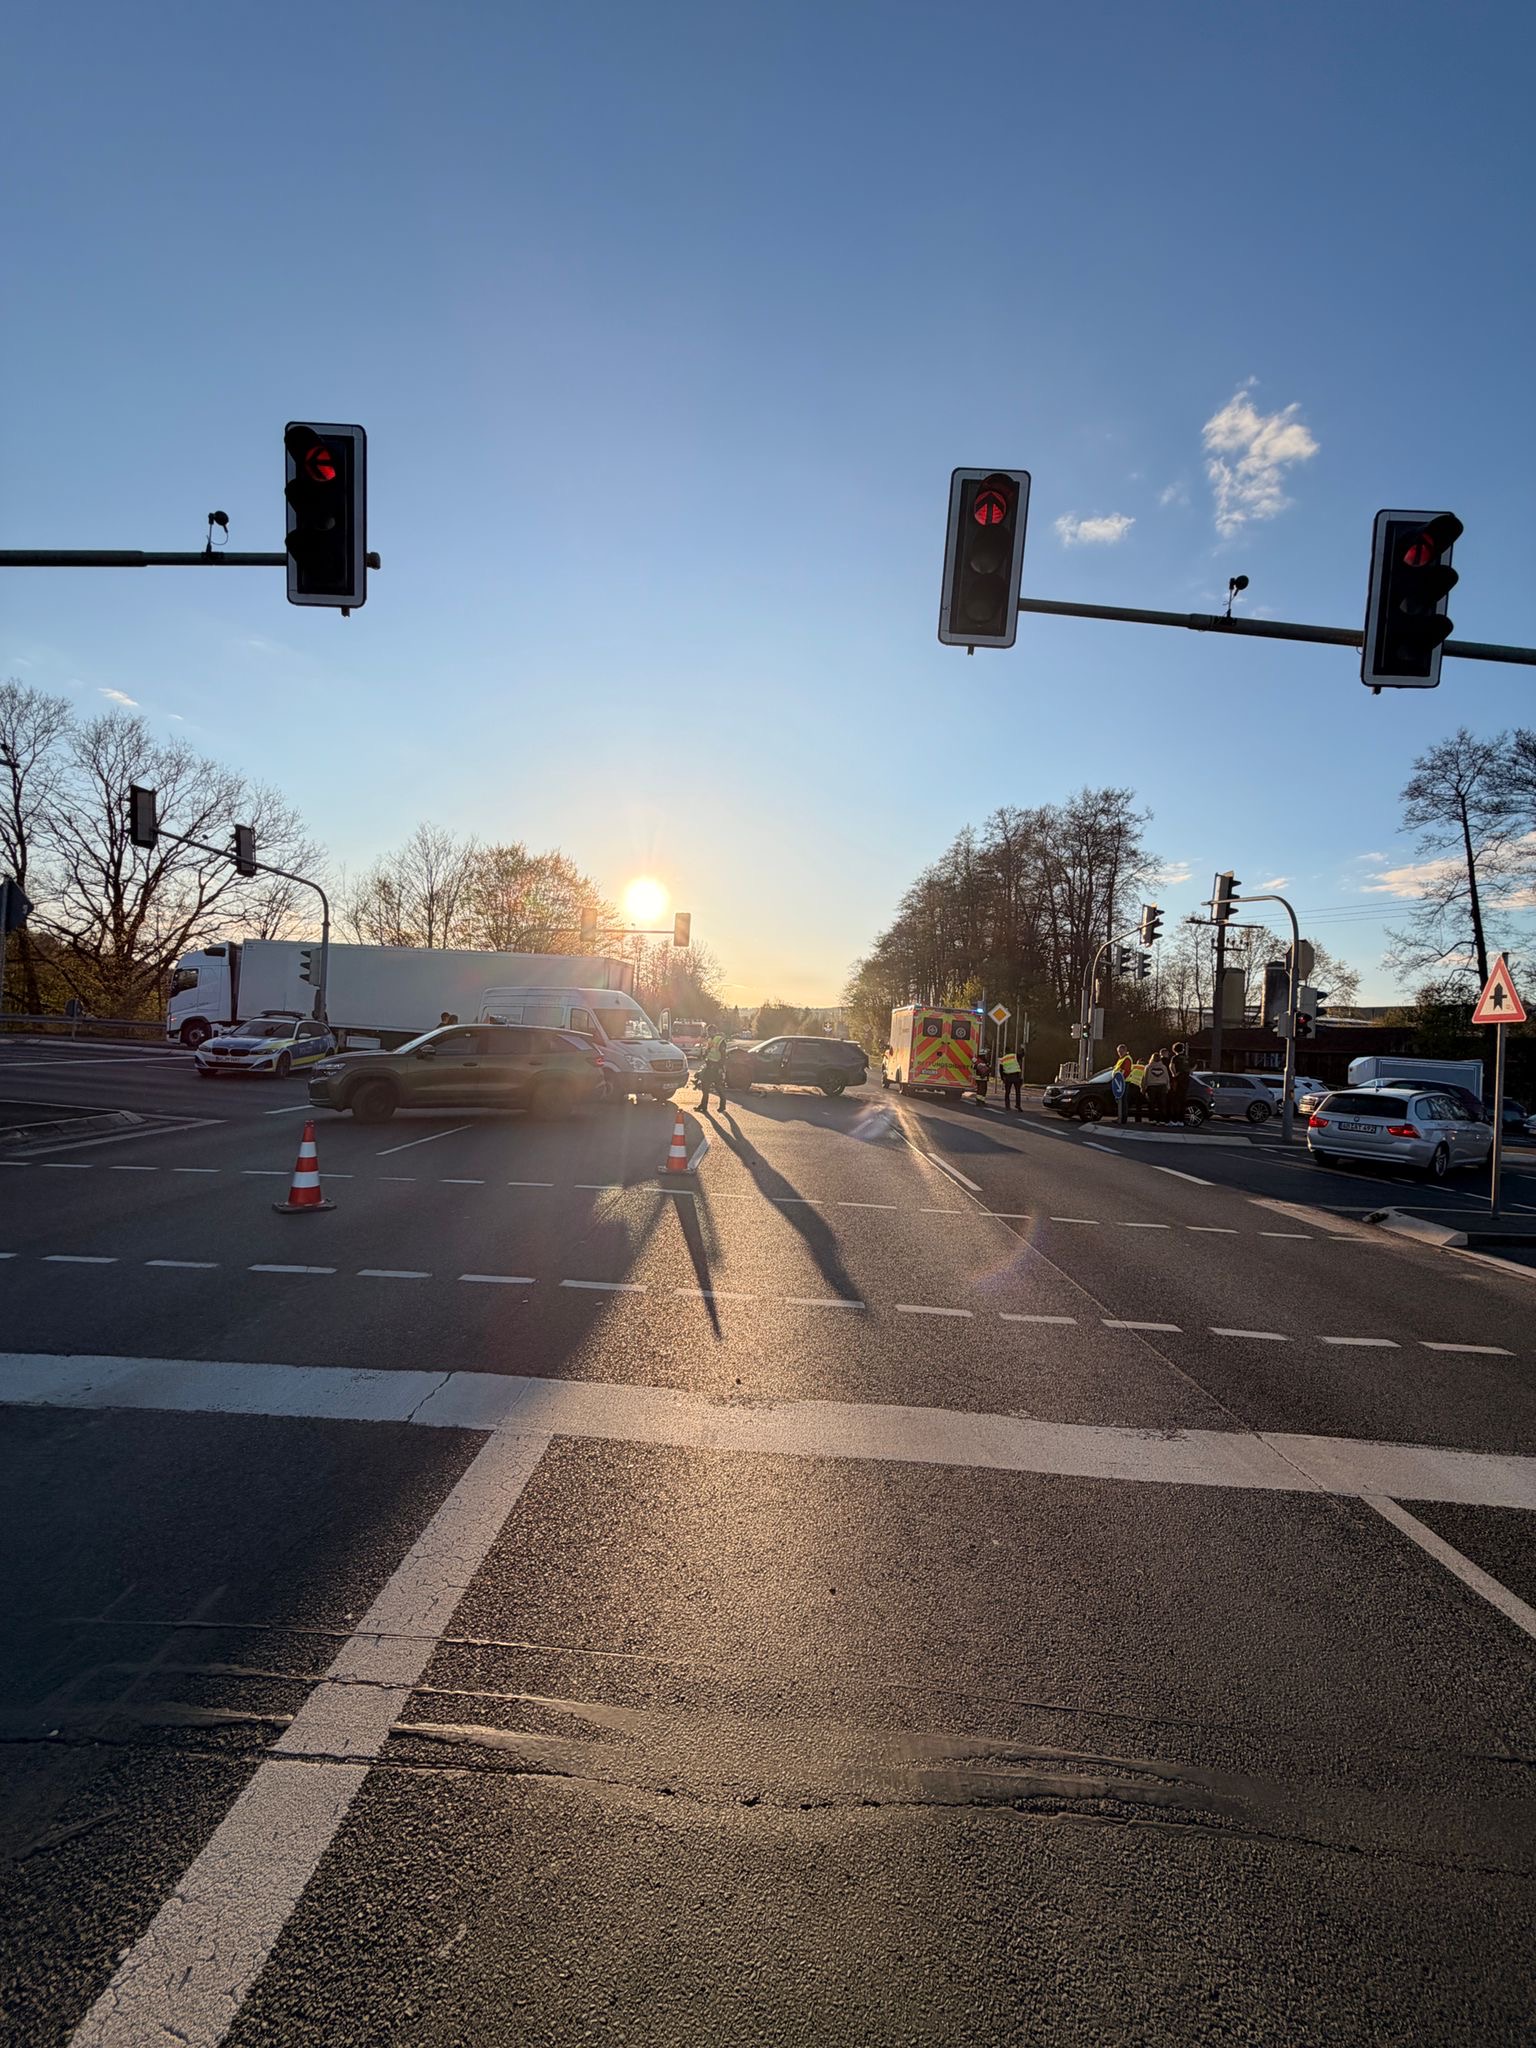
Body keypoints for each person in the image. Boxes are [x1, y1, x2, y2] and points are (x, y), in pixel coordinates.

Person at [697, 1027, 730, 1114]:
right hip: (709, 1065)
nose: (708, 1034)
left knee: (718, 1087)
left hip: (716, 1067)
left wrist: (720, 1068)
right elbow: (709, 1050)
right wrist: (705, 1055)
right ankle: (703, 1106)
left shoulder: (720, 1040)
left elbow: (723, 1056)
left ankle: (722, 1106)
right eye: (708, 1032)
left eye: (710, 1032)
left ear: (714, 1031)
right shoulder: (710, 1040)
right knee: (705, 1086)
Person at [1143, 1047, 1172, 1124]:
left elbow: (1144, 1078)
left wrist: (1143, 1087)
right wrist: (1168, 1087)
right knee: (1162, 1104)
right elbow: (1167, 1078)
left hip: (1151, 1087)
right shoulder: (1163, 1067)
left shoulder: (1148, 1067)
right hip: (1162, 1086)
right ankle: (1162, 1120)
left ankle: (1152, 1119)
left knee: (1151, 1104)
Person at [1168, 1041, 1191, 1125]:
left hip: (1178, 1080)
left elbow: (1171, 1066)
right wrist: (1189, 1072)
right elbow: (1194, 1065)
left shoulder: (1175, 1058)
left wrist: (1174, 1074)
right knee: (1183, 1101)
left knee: (1175, 1100)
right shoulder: (1187, 1057)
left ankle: (1174, 1120)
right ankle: (1181, 1120)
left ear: (1174, 1049)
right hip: (1186, 1080)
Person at [1112, 1043, 1134, 1126]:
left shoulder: (1127, 1058)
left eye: (1121, 1051)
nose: (1119, 1053)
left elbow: (1127, 1071)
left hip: (1123, 1082)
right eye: (1118, 1051)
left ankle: (1122, 1118)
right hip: (1120, 1082)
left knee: (1123, 1101)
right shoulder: (1122, 1058)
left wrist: (1121, 1079)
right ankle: (1120, 1117)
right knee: (1121, 1100)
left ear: (1125, 1050)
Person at [999, 1044, 1023, 1111]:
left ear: (1005, 1052)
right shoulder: (1014, 1056)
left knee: (1007, 1092)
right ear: (1010, 1050)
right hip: (1016, 1077)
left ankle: (1007, 1106)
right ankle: (1018, 1105)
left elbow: (1001, 1070)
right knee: (1018, 1092)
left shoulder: (1002, 1059)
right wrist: (1022, 1049)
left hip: (1008, 1077)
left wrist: (1002, 1078)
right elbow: (1022, 1055)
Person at [1126, 1054, 1146, 1124]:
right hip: (1139, 1087)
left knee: (1127, 1103)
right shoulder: (1145, 1068)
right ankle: (1138, 1120)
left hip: (1131, 1086)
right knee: (1138, 1105)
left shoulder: (1133, 1066)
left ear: (1138, 1062)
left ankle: (1124, 1117)